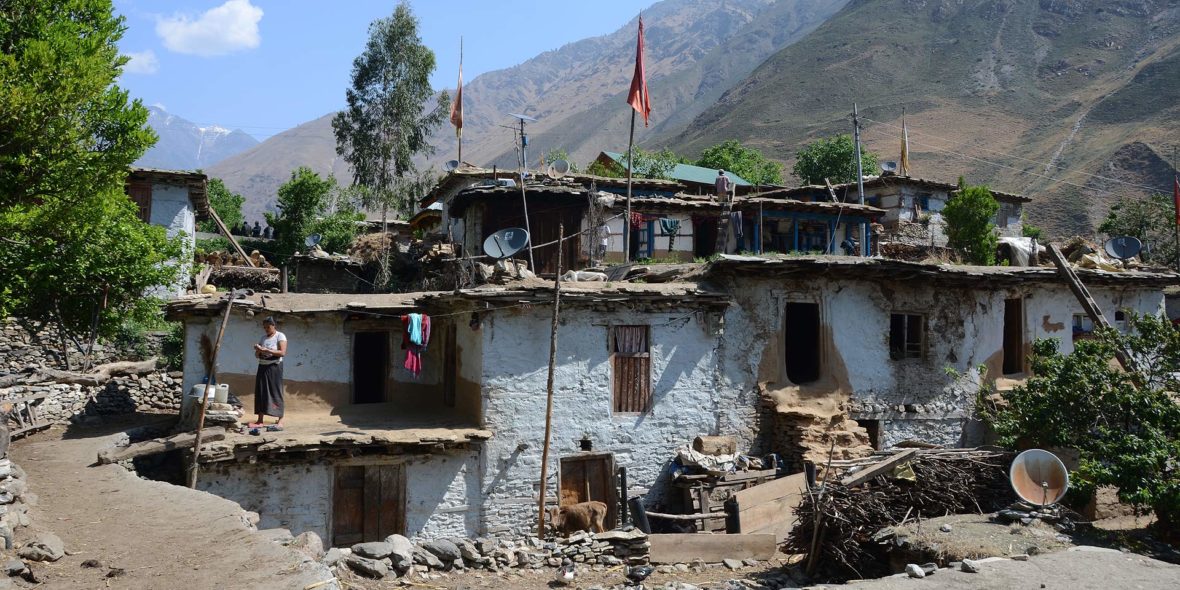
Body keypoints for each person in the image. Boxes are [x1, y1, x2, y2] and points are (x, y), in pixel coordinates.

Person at [251, 316, 286, 429]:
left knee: (276, 391)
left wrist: (267, 350)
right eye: (264, 327)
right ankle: (260, 420)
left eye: (268, 327)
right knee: (260, 392)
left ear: (274, 325)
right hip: (262, 367)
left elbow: (282, 352)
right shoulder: (263, 338)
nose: (266, 329)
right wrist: (258, 350)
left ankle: (280, 420)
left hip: (274, 367)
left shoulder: (280, 336)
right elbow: (257, 356)